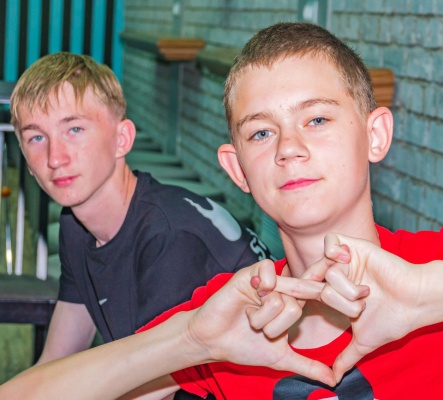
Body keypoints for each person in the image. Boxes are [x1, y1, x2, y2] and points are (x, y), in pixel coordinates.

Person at [1, 23, 443, 399]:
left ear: (375, 135)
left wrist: (434, 291)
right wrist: (187, 341)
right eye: (262, 133)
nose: (290, 147)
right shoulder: (228, 321)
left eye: (316, 119)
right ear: (238, 169)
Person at [8, 53, 271, 394]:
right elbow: (58, 360)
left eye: (74, 130)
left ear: (122, 139)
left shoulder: (169, 238)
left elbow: (151, 392)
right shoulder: (76, 226)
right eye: (36, 138)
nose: (55, 157)